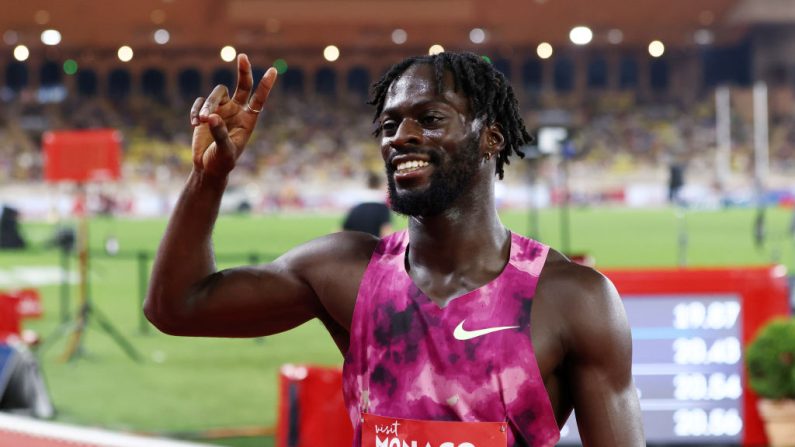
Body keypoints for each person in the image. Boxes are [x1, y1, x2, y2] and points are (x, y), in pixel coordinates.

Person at [145, 51, 644, 446]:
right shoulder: (344, 271)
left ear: (491, 138)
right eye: (388, 126)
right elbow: (177, 307)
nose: (401, 137)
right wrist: (208, 179)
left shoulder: (573, 298)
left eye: (429, 119)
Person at [341, 171, 393, 237]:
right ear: (380, 185)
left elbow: (341, 232)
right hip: (374, 246)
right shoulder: (382, 208)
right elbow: (385, 233)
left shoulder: (356, 207)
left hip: (356, 245)